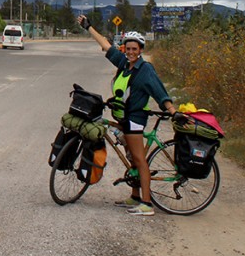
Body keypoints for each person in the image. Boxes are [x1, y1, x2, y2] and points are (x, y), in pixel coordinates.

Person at [77, 16, 181, 216]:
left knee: (140, 161)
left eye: (135, 49)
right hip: (124, 118)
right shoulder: (125, 64)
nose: (131, 52)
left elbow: (160, 92)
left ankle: (147, 204)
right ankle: (135, 196)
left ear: (141, 50)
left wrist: (173, 111)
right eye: (128, 49)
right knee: (132, 158)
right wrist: (88, 27)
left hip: (135, 120)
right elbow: (107, 47)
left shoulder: (145, 70)